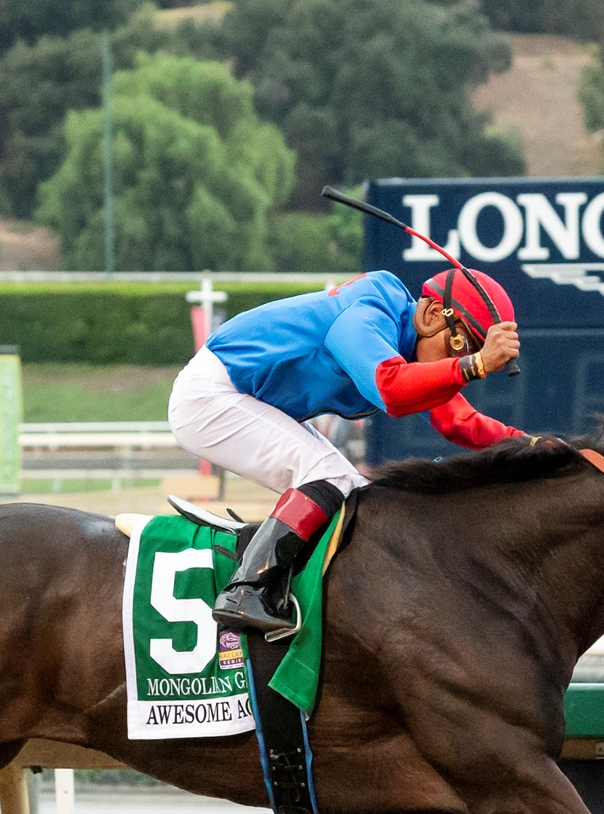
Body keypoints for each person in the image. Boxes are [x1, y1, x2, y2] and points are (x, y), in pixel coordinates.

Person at [169, 267, 523, 634]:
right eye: (460, 346)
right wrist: (475, 365)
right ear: (433, 314)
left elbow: (456, 419)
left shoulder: (399, 335)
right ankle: (247, 589)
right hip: (211, 395)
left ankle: (298, 590)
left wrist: (527, 444)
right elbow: (392, 390)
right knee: (330, 477)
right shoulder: (365, 314)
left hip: (244, 396)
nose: (458, 360)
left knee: (355, 495)